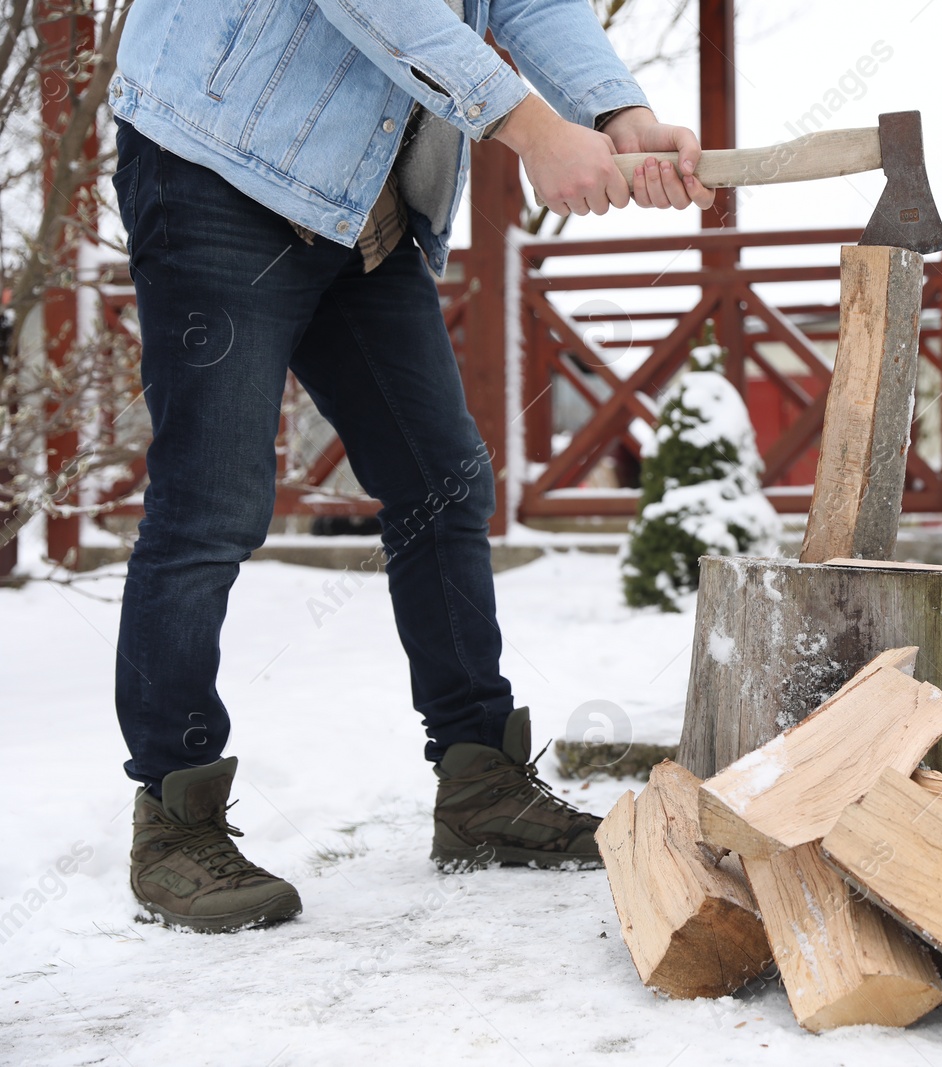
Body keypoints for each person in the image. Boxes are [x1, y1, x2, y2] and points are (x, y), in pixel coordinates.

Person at [107, 0, 711, 934]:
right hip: (216, 158)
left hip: (362, 195)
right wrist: (532, 129)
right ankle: (172, 822)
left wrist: (612, 112)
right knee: (212, 503)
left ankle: (480, 781)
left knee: (442, 480)